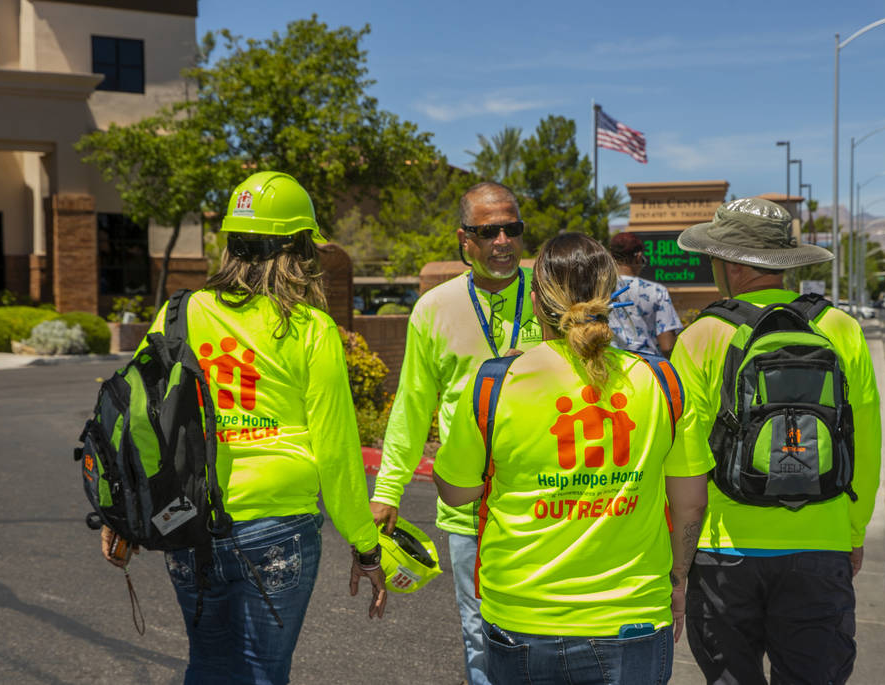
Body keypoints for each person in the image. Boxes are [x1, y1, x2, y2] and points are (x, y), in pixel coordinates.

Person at [100, 171, 386, 684]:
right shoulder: (310, 328)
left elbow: (135, 423)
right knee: (263, 671)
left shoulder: (178, 313)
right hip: (278, 526)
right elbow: (338, 452)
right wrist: (364, 545)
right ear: (298, 248)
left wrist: (123, 515)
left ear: (231, 242)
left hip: (187, 518)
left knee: (207, 665)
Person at [432, 232, 711, 685]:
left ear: (537, 300)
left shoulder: (495, 384)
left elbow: (457, 492)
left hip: (522, 617)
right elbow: (691, 503)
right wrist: (678, 579)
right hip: (633, 616)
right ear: (612, 295)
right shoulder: (662, 382)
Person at [670, 197, 881, 684]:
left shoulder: (701, 336)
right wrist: (852, 534)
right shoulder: (841, 329)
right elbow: (866, 444)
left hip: (725, 552)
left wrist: (680, 565)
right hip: (820, 544)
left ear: (730, 264)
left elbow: (686, 460)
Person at [370, 181, 543, 685]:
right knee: (478, 631)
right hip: (467, 504)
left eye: (513, 228)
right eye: (490, 231)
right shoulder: (433, 308)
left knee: (543, 630)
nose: (504, 241)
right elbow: (412, 405)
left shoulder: (548, 295)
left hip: (546, 500)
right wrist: (387, 489)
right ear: (464, 239)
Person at [606, 232, 682, 357]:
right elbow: (667, 345)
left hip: (611, 365)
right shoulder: (657, 291)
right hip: (648, 367)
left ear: (610, 256)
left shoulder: (599, 290)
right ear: (638, 256)